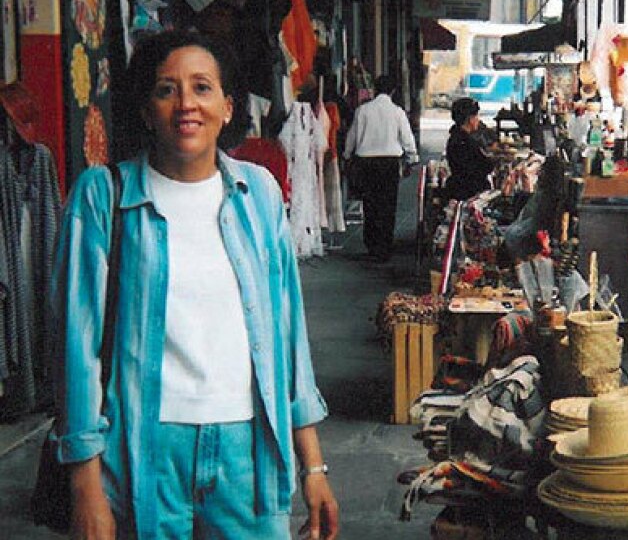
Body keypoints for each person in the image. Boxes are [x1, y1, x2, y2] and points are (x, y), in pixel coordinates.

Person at [51, 29, 339, 540]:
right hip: (142, 452)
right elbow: (77, 350)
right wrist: (84, 485)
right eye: (166, 89)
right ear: (145, 110)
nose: (186, 103)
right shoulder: (103, 197)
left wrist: (312, 466)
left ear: (228, 107)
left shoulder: (260, 195)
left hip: (248, 454)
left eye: (202, 87)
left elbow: (288, 336)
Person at [343, 74, 418, 263]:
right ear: (393, 91)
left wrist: (347, 155)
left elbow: (352, 136)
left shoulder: (362, 111)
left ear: (375, 89)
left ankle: (372, 244)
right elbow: (407, 138)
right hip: (389, 164)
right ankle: (385, 246)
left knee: (370, 204)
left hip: (366, 163)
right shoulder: (397, 112)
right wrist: (411, 158)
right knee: (388, 204)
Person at [444, 97, 495, 202]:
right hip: (469, 192)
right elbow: (480, 167)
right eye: (476, 116)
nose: (478, 119)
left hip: (462, 188)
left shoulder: (458, 137)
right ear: (470, 119)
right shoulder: (463, 142)